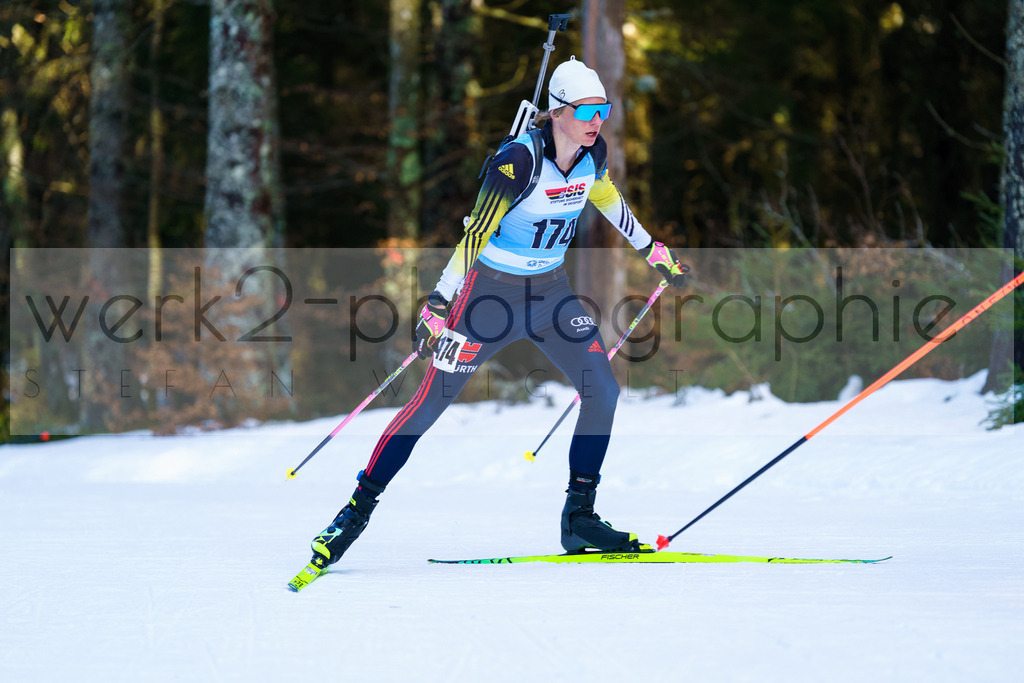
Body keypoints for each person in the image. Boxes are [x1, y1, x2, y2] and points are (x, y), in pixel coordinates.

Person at [308, 57, 688, 568]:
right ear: (557, 112)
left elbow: (606, 197)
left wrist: (651, 248)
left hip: (551, 294)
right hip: (487, 299)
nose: (597, 120)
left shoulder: (593, 153)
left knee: (603, 390)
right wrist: (438, 303)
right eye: (586, 110)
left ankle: (579, 517)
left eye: (604, 109)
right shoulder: (518, 162)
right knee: (429, 405)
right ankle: (354, 514)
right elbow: (476, 233)